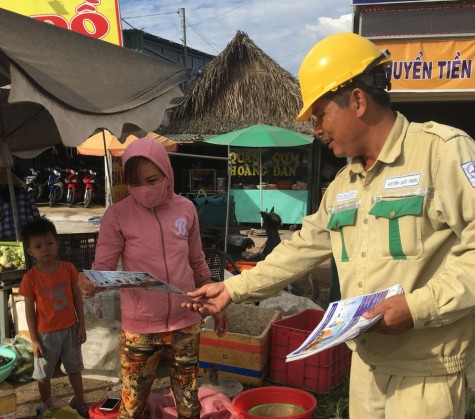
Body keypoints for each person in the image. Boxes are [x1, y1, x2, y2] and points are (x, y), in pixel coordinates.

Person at [183, 32, 475, 419]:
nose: (317, 129)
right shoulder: (343, 184)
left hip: (427, 373)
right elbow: (300, 249)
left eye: (320, 115)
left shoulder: (442, 152)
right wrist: (232, 288)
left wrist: (417, 307)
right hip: (367, 366)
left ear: (356, 100)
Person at [77, 137, 228, 419]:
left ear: (166, 173)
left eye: (151, 179)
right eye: (135, 182)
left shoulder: (186, 209)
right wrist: (89, 282)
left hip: (186, 322)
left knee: (188, 403)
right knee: (131, 406)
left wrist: (216, 305)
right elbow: (103, 267)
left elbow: (198, 262)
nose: (143, 189)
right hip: (140, 329)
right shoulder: (117, 215)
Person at [18, 217, 89, 418]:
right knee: (43, 374)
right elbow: (29, 311)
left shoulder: (68, 268)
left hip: (71, 329)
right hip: (45, 335)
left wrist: (82, 326)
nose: (45, 249)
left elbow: (77, 298)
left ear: (57, 244)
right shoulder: (30, 278)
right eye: (38, 246)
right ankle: (46, 407)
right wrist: (33, 339)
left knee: (75, 369)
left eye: (49, 243)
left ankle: (81, 403)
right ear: (30, 252)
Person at [0, 172, 40, 241]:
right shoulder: (26, 194)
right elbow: (36, 215)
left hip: (5, 234)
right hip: (25, 234)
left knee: (11, 252)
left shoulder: (1, 197)